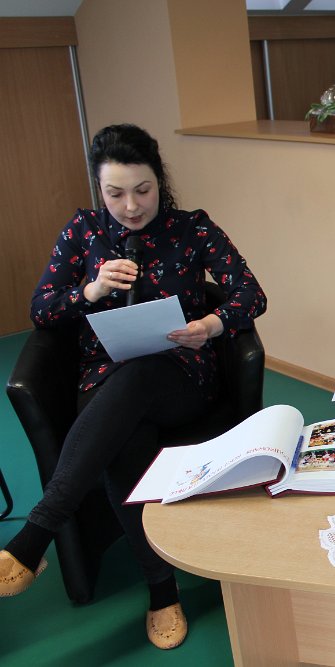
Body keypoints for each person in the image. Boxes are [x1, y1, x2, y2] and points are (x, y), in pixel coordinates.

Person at [0, 124, 267, 649]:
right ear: (99, 189)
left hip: (181, 375)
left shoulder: (192, 228)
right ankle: (162, 591)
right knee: (124, 435)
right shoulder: (83, 231)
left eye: (142, 190)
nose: (130, 206)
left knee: (142, 373)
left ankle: (36, 534)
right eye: (115, 193)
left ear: (159, 180)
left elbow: (250, 294)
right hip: (103, 379)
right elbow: (41, 310)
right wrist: (90, 290)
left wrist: (210, 326)